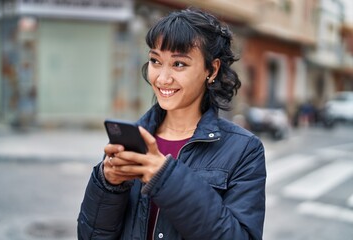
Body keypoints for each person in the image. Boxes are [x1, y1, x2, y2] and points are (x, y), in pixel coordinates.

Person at [77, 8, 266, 240]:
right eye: (156, 61)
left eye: (179, 64)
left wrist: (166, 179)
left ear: (212, 69)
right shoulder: (136, 138)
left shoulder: (244, 150)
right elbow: (90, 236)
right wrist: (108, 185)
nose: (162, 78)